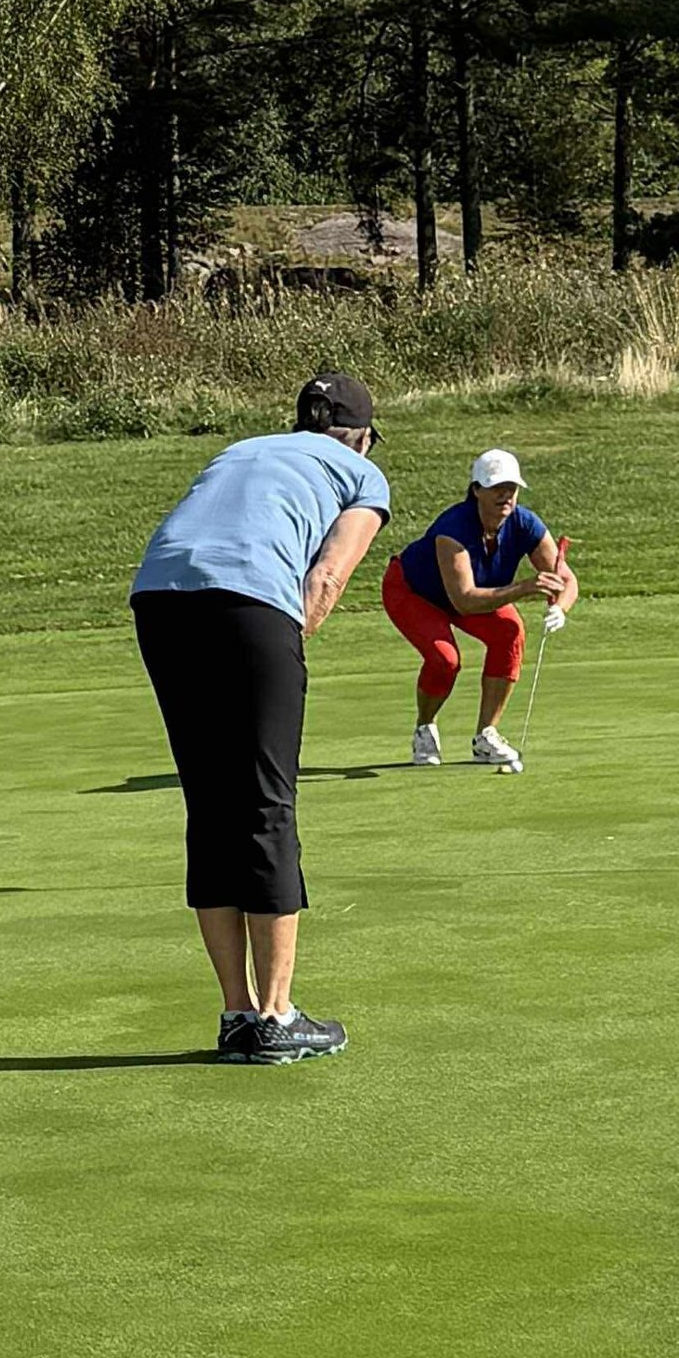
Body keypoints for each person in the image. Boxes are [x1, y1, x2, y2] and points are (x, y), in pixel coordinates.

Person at [129, 371, 391, 1065]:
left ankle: (238, 1014)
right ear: (362, 438)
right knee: (266, 804)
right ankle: (277, 1017)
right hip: (249, 604)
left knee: (212, 804)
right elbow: (327, 575)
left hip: (159, 599)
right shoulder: (363, 474)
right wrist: (281, 647)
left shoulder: (244, 447)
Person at [382, 446, 576, 771]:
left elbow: (567, 578)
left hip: (470, 592)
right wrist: (524, 587)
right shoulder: (453, 528)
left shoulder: (525, 524)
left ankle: (486, 736)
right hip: (413, 591)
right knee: (445, 660)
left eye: (511, 487)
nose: (505, 495)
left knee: (509, 632)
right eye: (496, 487)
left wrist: (562, 608)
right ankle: (425, 727)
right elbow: (465, 601)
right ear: (476, 490)